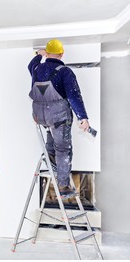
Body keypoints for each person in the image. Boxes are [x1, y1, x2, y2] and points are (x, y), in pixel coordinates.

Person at [28, 39, 90, 198]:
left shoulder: (37, 69)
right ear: (62, 54)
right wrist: (82, 117)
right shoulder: (65, 72)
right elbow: (74, 96)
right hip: (57, 117)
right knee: (63, 149)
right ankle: (63, 186)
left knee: (52, 129)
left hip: (40, 116)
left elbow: (30, 65)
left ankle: (50, 155)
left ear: (47, 53)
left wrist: (38, 55)